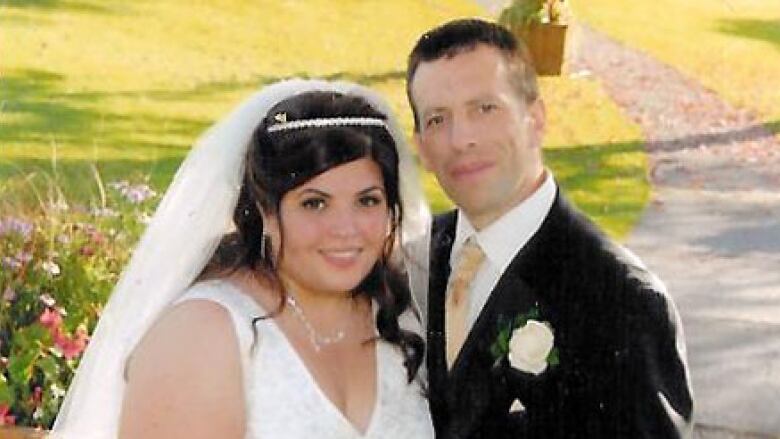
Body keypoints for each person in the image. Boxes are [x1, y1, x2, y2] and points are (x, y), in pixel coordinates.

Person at [50, 79, 434, 438]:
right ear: (266, 212)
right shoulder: (202, 334)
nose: (345, 229)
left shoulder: (399, 313)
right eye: (314, 203)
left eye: (367, 201)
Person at [406, 18, 694, 438]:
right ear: (421, 148)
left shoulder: (622, 300)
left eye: (484, 108)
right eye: (436, 119)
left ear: (536, 118)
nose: (460, 138)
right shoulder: (411, 259)